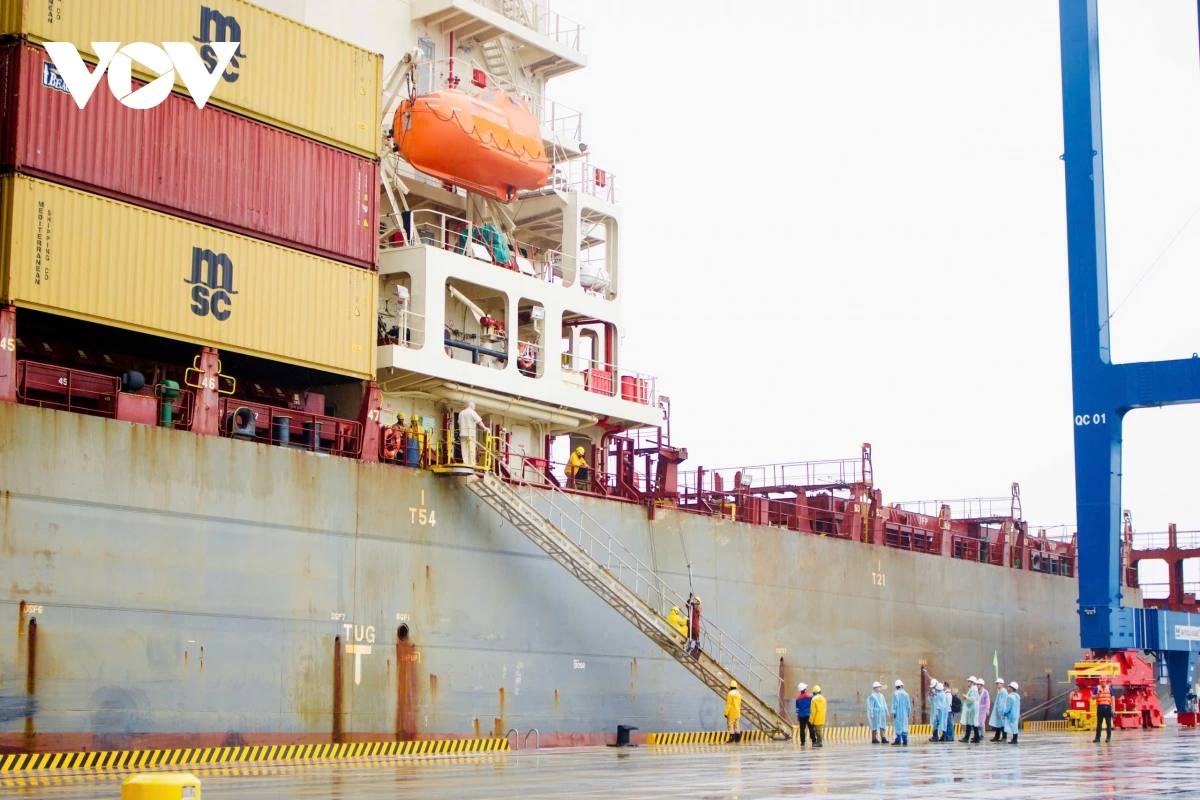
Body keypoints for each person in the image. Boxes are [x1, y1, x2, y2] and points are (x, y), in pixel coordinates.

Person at [457, 402, 486, 467]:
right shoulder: (472, 412)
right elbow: (479, 421)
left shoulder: (461, 413)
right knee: (472, 448)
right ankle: (472, 463)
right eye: (474, 407)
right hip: (470, 433)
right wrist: (484, 428)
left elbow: (459, 424)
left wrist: (460, 432)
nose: (474, 408)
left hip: (462, 433)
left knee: (464, 449)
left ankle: (465, 463)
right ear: (472, 406)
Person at [890, 679, 911, 746]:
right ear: (902, 686)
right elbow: (908, 705)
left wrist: (893, 712)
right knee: (904, 726)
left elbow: (894, 704)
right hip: (905, 713)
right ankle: (905, 741)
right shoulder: (906, 694)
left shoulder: (895, 694)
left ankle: (898, 740)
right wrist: (908, 713)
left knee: (898, 726)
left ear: (896, 686)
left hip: (898, 713)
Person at [1093, 676, 1114, 743]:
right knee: (1099, 723)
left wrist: (1113, 709)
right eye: (1101, 681)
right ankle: (1097, 738)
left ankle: (1108, 738)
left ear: (1106, 682)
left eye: (1104, 681)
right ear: (1100, 682)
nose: (1103, 683)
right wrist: (1098, 694)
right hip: (1100, 707)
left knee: (1108, 723)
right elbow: (1093, 697)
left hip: (1108, 707)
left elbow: (1113, 699)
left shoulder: (1109, 689)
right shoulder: (1096, 688)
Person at [960, 676, 980, 743]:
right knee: (973, 722)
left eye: (969, 681)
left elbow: (973, 699)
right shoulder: (972, 689)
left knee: (970, 722)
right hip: (972, 707)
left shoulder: (973, 689)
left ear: (972, 682)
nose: (967, 682)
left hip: (972, 707)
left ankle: (967, 737)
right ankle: (977, 737)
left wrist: (965, 697)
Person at [990, 678, 1009, 742]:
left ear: (1002, 684)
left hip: (1001, 711)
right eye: (996, 683)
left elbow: (1001, 702)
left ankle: (1004, 737)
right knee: (999, 724)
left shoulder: (1002, 691)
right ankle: (997, 736)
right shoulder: (1002, 691)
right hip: (1001, 710)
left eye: (998, 683)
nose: (997, 685)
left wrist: (999, 710)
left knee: (1002, 724)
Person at [976, 678, 991, 744]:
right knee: (977, 722)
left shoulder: (985, 692)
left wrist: (987, 709)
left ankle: (982, 735)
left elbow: (987, 701)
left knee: (982, 722)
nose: (977, 685)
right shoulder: (976, 691)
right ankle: (977, 734)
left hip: (982, 709)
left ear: (981, 685)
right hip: (977, 708)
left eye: (978, 684)